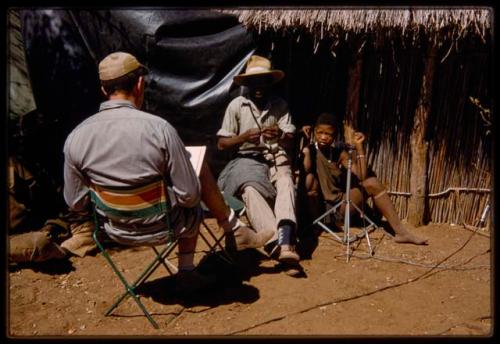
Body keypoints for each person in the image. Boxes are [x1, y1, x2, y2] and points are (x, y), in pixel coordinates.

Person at [63, 52, 273, 291]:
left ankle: (233, 230)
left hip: (114, 232)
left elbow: (76, 203)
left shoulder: (76, 137)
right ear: (140, 84)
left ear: (103, 90)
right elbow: (190, 196)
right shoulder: (159, 129)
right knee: (194, 183)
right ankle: (192, 265)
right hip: (164, 226)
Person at [216, 55, 301, 273]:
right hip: (246, 159)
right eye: (254, 82)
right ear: (247, 84)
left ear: (270, 82)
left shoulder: (280, 105)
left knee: (285, 181)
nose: (259, 87)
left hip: (275, 156)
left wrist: (280, 134)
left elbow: (290, 138)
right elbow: (222, 144)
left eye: (263, 81)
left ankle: (285, 239)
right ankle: (279, 244)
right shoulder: (237, 105)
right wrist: (243, 137)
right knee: (250, 190)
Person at [300, 112, 428, 245]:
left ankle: (402, 233)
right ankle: (314, 227)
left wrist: (360, 147)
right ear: (315, 131)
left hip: (341, 207)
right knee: (309, 179)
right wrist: (305, 143)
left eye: (328, 134)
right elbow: (306, 168)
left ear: (335, 135)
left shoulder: (339, 154)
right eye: (320, 132)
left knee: (372, 182)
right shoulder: (310, 150)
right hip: (323, 210)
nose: (323, 137)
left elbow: (361, 175)